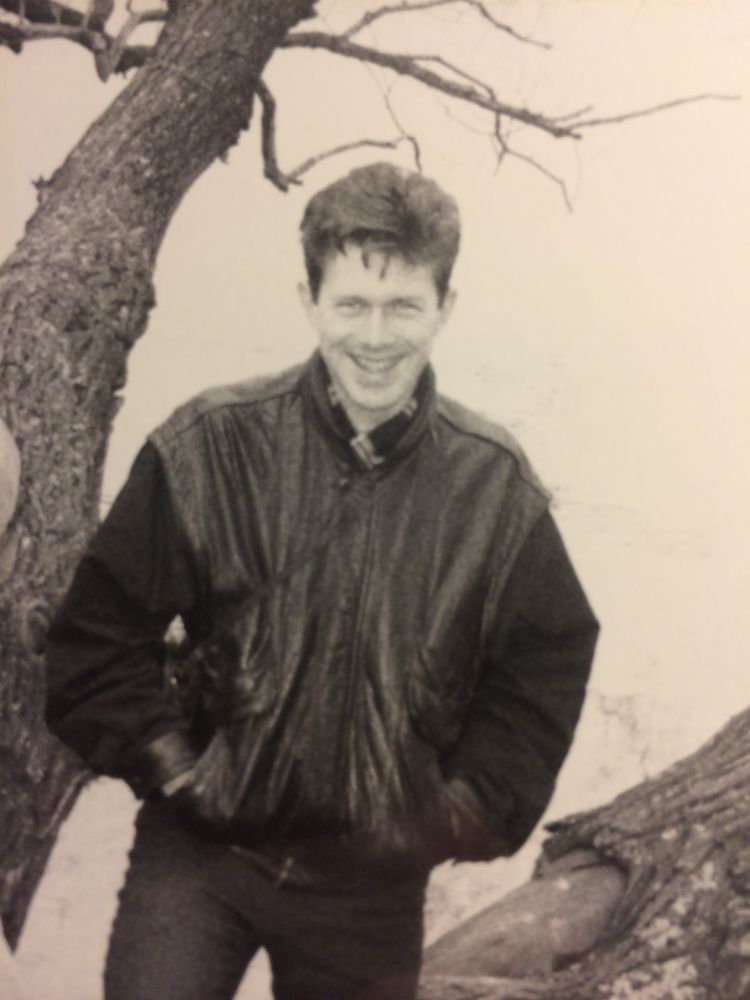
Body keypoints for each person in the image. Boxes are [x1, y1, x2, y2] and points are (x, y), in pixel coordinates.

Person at [45, 162, 599, 1000]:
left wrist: (446, 818)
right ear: (309, 301)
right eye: (351, 305)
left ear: (445, 307)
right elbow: (97, 641)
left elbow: (543, 671)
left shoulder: (496, 487)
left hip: (369, 891)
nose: (375, 337)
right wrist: (181, 772)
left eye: (403, 306)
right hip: (200, 859)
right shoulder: (207, 447)